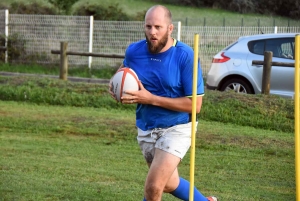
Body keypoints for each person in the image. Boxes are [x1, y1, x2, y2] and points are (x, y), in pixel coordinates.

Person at [109, 5, 217, 201]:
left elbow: (196, 105)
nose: (152, 32)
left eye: (158, 27)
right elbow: (123, 72)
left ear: (170, 28)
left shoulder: (185, 56)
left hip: (177, 127)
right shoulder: (134, 51)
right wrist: (115, 84)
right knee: (168, 183)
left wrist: (151, 99)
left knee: (153, 187)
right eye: (148, 26)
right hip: (146, 126)